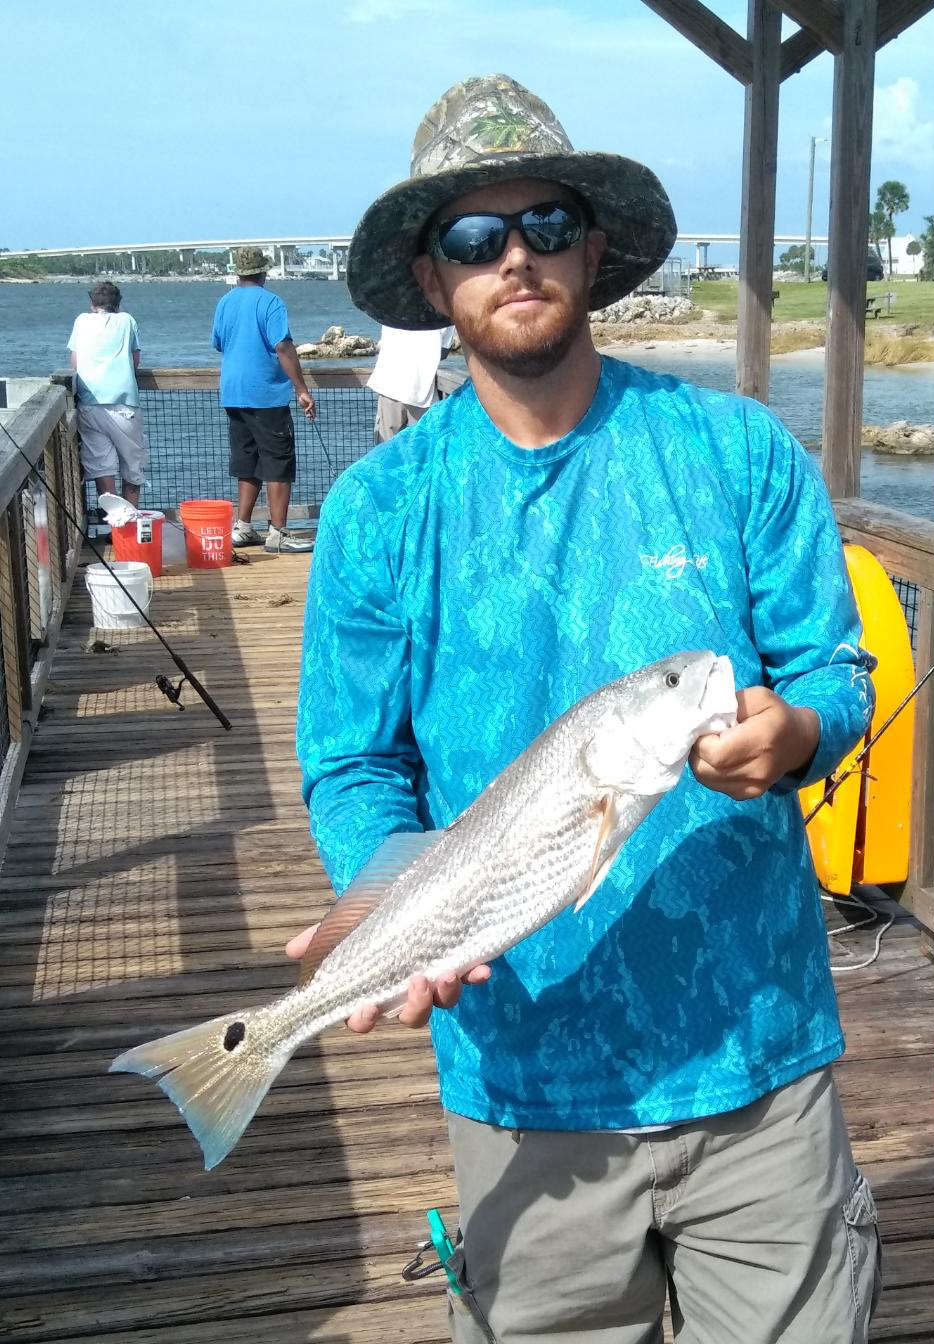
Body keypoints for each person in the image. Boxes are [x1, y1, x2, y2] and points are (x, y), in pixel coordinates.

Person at [295, 74, 880, 1343]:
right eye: (474, 236)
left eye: (547, 224)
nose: (516, 257)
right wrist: (382, 895)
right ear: (432, 276)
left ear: (595, 248)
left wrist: (800, 735)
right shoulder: (379, 511)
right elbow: (354, 766)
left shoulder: (734, 451)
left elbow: (837, 674)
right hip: (518, 1077)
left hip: (757, 1063)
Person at [210, 247, 316, 554]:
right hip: (266, 393)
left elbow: (218, 342)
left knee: (248, 461)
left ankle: (242, 527)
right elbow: (282, 346)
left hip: (232, 391)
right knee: (278, 462)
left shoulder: (225, 301)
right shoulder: (271, 302)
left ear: (238, 272)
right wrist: (301, 389)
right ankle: (278, 533)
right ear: (263, 272)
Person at [68, 281, 148, 508]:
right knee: (132, 466)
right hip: (123, 404)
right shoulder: (127, 320)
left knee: (102, 467)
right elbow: (135, 360)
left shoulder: (81, 321)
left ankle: (115, 522)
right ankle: (130, 522)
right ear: (118, 303)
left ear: (92, 304)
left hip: (89, 404)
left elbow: (75, 362)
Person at [367, 322, 456, 442]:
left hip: (389, 382)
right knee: (423, 446)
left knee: (385, 447)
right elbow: (444, 351)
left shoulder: (392, 309)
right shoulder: (443, 315)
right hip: (422, 389)